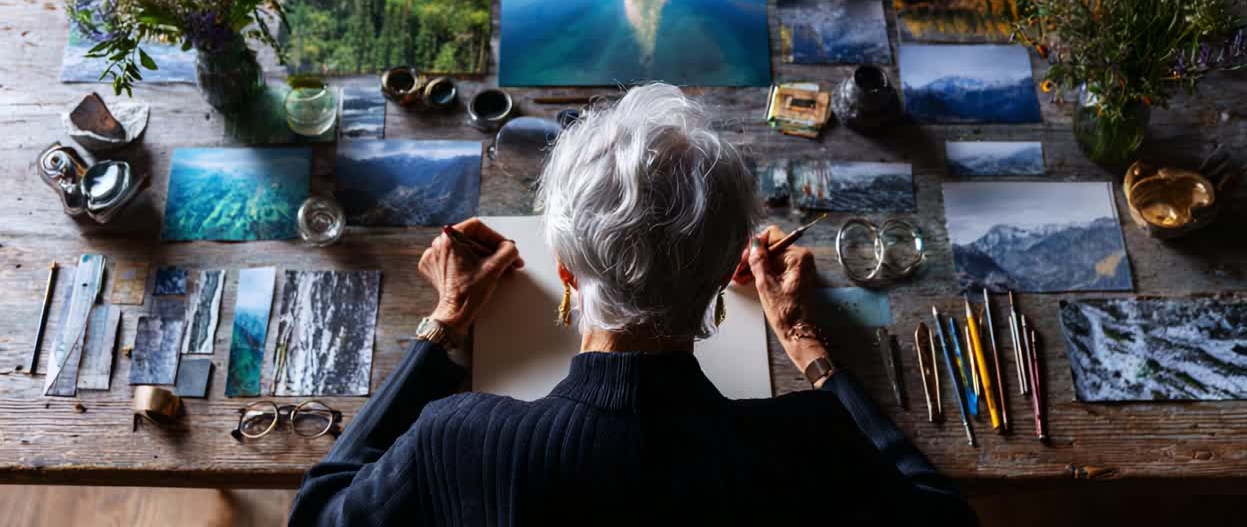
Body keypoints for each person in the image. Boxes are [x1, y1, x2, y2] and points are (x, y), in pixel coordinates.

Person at [289, 84, 977, 526]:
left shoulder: (458, 436)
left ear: (564, 273)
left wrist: (442, 329)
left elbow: (317, 514)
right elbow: (944, 516)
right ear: (720, 280)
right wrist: (805, 343)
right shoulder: (804, 441)